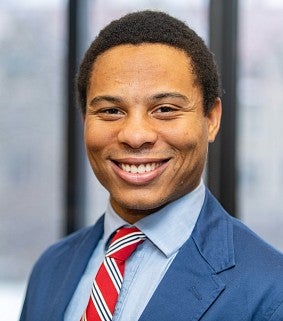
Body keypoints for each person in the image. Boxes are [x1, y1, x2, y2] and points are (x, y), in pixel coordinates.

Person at [20, 11, 283, 321]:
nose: (135, 135)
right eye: (111, 110)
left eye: (165, 109)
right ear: (84, 121)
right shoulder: (51, 268)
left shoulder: (271, 290)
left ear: (211, 119)